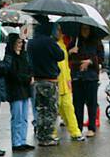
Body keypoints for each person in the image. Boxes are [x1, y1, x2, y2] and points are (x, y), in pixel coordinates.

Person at [27, 17, 64, 147]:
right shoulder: (49, 42)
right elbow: (61, 56)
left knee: (40, 109)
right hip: (50, 80)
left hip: (37, 81)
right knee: (50, 110)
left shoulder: (31, 42)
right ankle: (48, 136)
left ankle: (40, 134)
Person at [71, 24, 104, 133]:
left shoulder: (96, 42)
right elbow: (67, 58)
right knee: (77, 104)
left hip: (91, 77)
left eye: (87, 29)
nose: (85, 31)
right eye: (83, 29)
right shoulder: (75, 41)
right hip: (77, 76)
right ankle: (78, 127)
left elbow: (101, 58)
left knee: (92, 103)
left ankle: (91, 127)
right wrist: (71, 51)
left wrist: (90, 61)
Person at [5, 33, 34, 150]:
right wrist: (28, 78)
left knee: (24, 117)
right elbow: (13, 74)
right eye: (17, 43)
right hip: (15, 90)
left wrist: (30, 76)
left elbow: (30, 68)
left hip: (25, 90)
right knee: (17, 117)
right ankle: (16, 142)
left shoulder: (24, 56)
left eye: (21, 43)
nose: (20, 45)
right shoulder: (9, 57)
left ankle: (22, 140)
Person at [55, 33, 86, 143]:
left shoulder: (62, 45)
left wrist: (68, 79)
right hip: (56, 82)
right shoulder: (53, 45)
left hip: (64, 82)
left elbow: (65, 64)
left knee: (68, 108)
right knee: (56, 109)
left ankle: (75, 132)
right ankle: (52, 133)